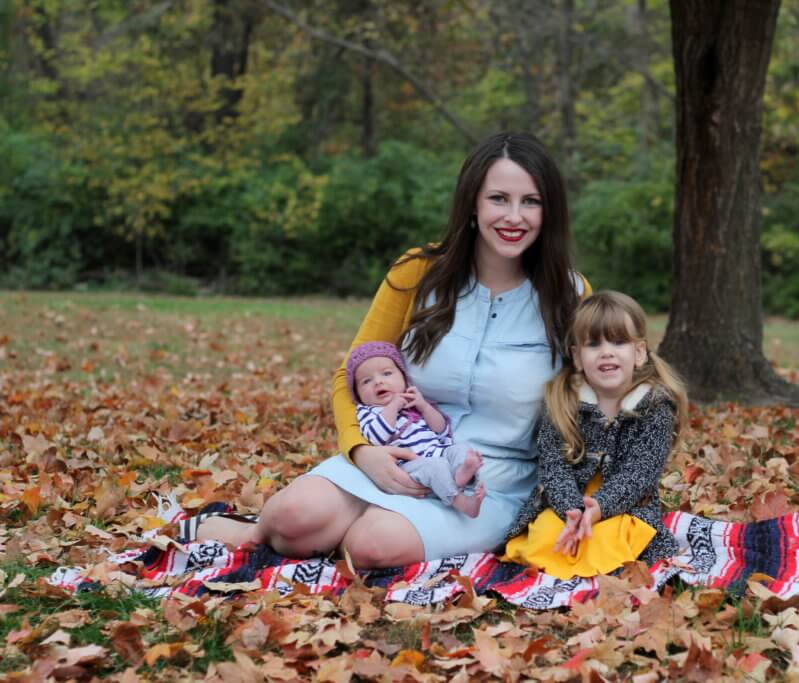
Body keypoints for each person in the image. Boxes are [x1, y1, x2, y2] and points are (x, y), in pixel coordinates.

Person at [196, 132, 589, 567]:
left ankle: (351, 530)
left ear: (549, 210)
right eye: (498, 198)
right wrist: (364, 453)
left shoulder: (569, 296)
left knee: (371, 545)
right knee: (290, 517)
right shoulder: (417, 273)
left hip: (488, 484)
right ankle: (259, 531)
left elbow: (591, 407)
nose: (514, 216)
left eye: (530, 201)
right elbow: (348, 376)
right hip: (395, 449)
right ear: (472, 204)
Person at [502, 291, 688, 580]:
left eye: (618, 341)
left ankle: (594, 568)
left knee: (611, 539)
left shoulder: (654, 407)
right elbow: (553, 467)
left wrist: (598, 508)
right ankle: (566, 562)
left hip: (624, 505)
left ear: (639, 353)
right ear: (577, 356)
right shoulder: (563, 402)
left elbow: (640, 474)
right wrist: (572, 511)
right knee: (547, 535)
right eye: (593, 344)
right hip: (569, 504)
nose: (606, 352)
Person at [347, 340, 486, 518]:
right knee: (435, 467)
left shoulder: (414, 401)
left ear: (404, 378)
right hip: (411, 466)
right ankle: (461, 501)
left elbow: (441, 430)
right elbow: (375, 438)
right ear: (358, 394)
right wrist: (394, 406)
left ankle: (462, 474)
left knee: (462, 449)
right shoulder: (368, 411)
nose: (378, 382)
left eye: (387, 373)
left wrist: (424, 407)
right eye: (367, 381)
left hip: (438, 452)